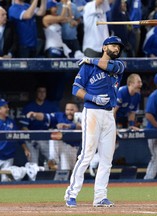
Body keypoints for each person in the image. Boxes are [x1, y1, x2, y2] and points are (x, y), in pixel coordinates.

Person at [64, 36, 125, 208]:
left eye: (118, 47)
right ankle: (71, 194)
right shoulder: (87, 67)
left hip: (109, 115)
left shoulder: (119, 65)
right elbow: (76, 89)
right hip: (92, 112)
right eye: (113, 46)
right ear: (104, 47)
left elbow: (108, 66)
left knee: (107, 159)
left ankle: (100, 197)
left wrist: (90, 59)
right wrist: (92, 98)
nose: (116, 49)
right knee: (86, 155)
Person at [0, 99, 30, 182]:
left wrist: (25, 149)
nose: (7, 109)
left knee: (6, 182)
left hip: (8, 157)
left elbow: (19, 137)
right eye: (5, 107)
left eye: (7, 107)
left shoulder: (11, 122)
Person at [26, 102, 81, 171]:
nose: (69, 112)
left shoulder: (82, 116)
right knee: (54, 132)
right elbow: (45, 117)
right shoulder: (60, 116)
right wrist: (35, 114)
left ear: (77, 110)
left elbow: (82, 126)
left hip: (74, 149)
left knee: (67, 171)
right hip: (62, 146)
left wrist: (69, 126)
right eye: (67, 110)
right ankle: (53, 160)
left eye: (71, 110)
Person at [19, 85, 58, 168]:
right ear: (36, 93)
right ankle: (32, 180)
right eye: (40, 91)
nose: (42, 94)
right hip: (32, 137)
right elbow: (23, 127)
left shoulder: (51, 106)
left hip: (46, 137)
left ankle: (52, 181)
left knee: (52, 160)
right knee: (33, 165)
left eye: (44, 92)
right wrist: (31, 136)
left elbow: (56, 124)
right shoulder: (29, 107)